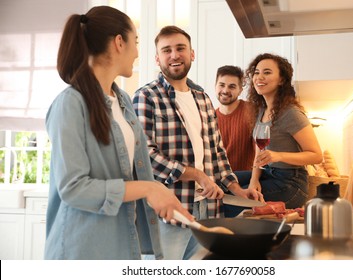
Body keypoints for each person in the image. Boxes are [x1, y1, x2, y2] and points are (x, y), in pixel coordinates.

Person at [44, 6, 192, 260]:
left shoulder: (122, 99)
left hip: (123, 247)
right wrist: (149, 189)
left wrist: (163, 195)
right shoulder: (70, 104)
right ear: (119, 43)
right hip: (82, 251)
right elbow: (74, 188)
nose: (137, 52)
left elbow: (134, 172)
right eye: (135, 42)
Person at [133, 25, 263, 260]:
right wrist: (197, 175)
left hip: (209, 209)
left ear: (192, 53)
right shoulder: (146, 96)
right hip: (172, 209)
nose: (174, 55)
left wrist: (237, 190)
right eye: (167, 50)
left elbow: (217, 152)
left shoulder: (202, 98)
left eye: (180, 48)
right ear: (157, 58)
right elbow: (144, 156)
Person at [237, 53, 323, 209]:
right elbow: (260, 151)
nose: (259, 77)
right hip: (268, 173)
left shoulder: (290, 113)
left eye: (267, 72)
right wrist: (254, 180)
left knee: (234, 198)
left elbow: (316, 155)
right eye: (257, 72)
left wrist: (278, 156)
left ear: (282, 80)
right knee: (225, 181)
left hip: (291, 184)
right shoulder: (261, 110)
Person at [215, 65, 256, 171]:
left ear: (240, 90)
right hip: (219, 182)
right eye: (221, 85)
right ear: (215, 86)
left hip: (247, 180)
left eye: (232, 86)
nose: (225, 90)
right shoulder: (209, 118)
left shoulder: (252, 111)